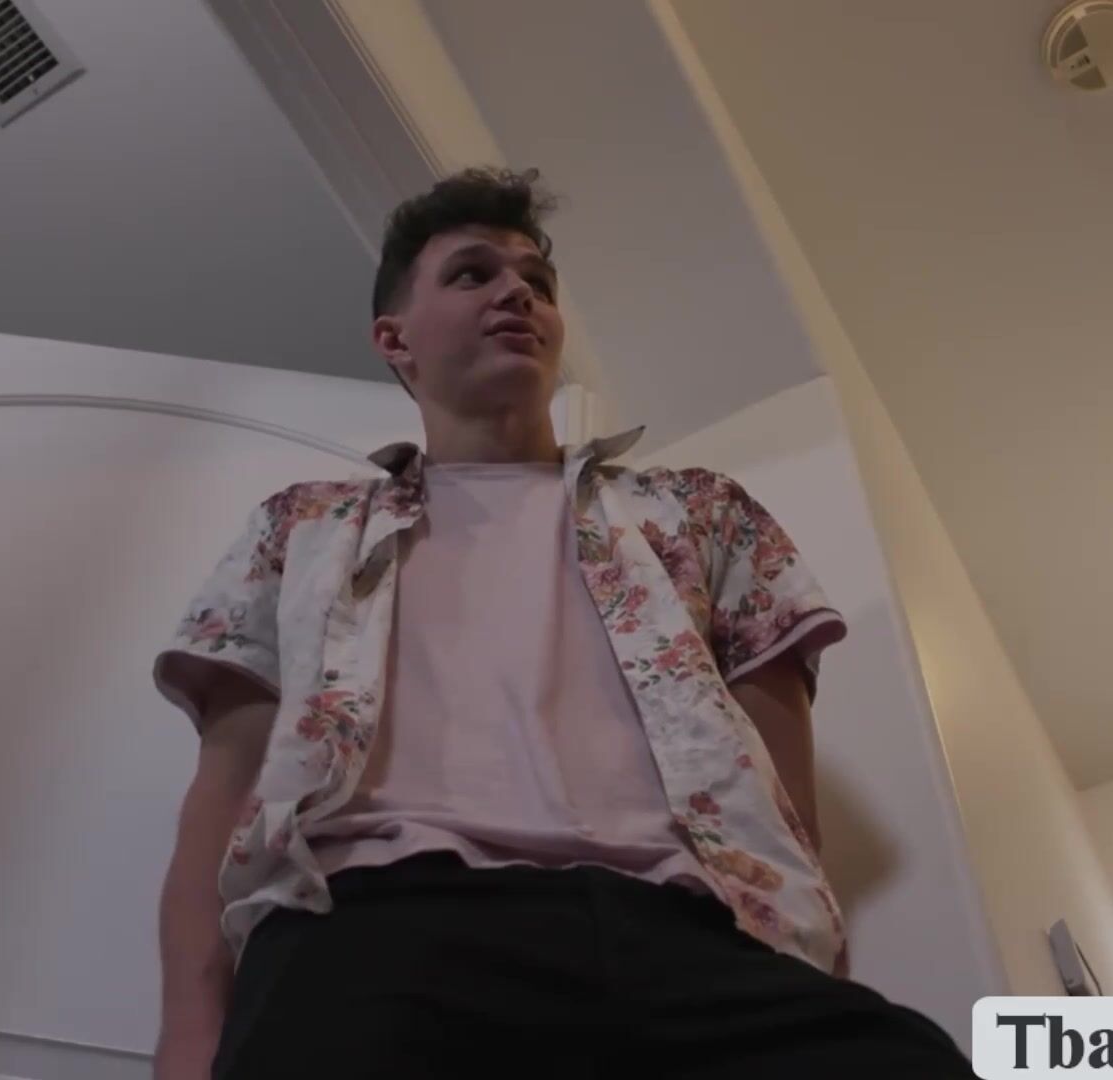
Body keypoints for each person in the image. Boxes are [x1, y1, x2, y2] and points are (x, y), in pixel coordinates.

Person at [151, 168, 974, 1078]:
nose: (518, 293)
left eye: (536, 282)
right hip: (369, 931)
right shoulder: (303, 527)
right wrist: (190, 1032)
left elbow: (784, 801)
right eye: (473, 274)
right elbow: (226, 788)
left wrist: (803, 964)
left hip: (685, 935)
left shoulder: (700, 513)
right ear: (394, 338)